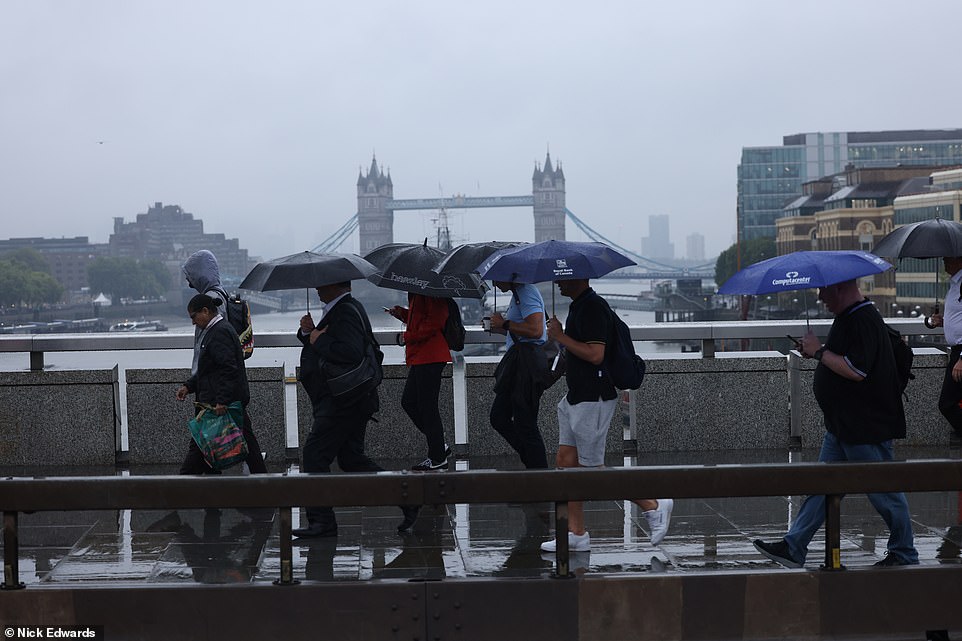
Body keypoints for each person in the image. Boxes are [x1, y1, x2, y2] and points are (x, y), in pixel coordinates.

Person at [754, 279, 919, 568]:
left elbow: (857, 369)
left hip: (864, 426)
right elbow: (845, 358)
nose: (820, 297)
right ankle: (794, 546)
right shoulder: (848, 317)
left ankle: (904, 553)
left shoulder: (863, 319)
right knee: (823, 487)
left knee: (884, 491)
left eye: (824, 290)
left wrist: (819, 351)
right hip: (843, 425)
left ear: (840, 287)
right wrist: (820, 351)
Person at [540, 278, 672, 552]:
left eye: (563, 277)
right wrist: (561, 334)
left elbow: (596, 354)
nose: (557, 282)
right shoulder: (579, 306)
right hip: (576, 396)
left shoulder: (593, 308)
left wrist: (560, 337)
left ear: (580, 278)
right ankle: (575, 533)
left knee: (592, 473)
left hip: (594, 398)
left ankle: (653, 505)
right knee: (566, 462)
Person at [293, 281, 419, 538]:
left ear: (339, 286)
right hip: (351, 398)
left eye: (323, 284)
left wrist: (319, 339)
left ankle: (322, 522)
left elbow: (348, 351)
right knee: (352, 460)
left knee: (315, 455)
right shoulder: (343, 308)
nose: (318, 288)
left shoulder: (347, 310)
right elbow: (329, 341)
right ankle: (408, 497)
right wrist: (308, 333)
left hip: (342, 401)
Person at [174, 294, 267, 475]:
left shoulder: (219, 332)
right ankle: (262, 484)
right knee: (245, 445)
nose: (193, 322)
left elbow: (228, 368)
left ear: (205, 311)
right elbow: (209, 368)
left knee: (200, 447)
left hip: (221, 404)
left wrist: (222, 401)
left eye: (194, 316)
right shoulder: (217, 330)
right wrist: (189, 386)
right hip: (224, 401)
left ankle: (180, 489)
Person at [487, 281, 550, 469]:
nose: (494, 284)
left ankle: (540, 474)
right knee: (499, 417)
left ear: (510, 274)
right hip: (518, 364)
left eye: (497, 278)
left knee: (526, 424)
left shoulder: (526, 291)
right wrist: (498, 327)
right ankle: (532, 461)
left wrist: (505, 322)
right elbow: (521, 330)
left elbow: (537, 331)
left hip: (526, 366)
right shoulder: (517, 295)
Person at [386, 294, 453, 471]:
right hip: (421, 356)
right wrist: (402, 313)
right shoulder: (418, 292)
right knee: (409, 402)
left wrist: (408, 336)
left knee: (427, 407)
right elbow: (420, 319)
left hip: (430, 356)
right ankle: (439, 446)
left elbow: (435, 321)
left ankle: (438, 457)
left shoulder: (430, 292)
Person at [923, 256, 962, 437]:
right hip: (956, 351)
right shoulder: (955, 284)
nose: (945, 261)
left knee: (947, 404)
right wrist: (942, 323)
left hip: (960, 353)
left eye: (949, 258)